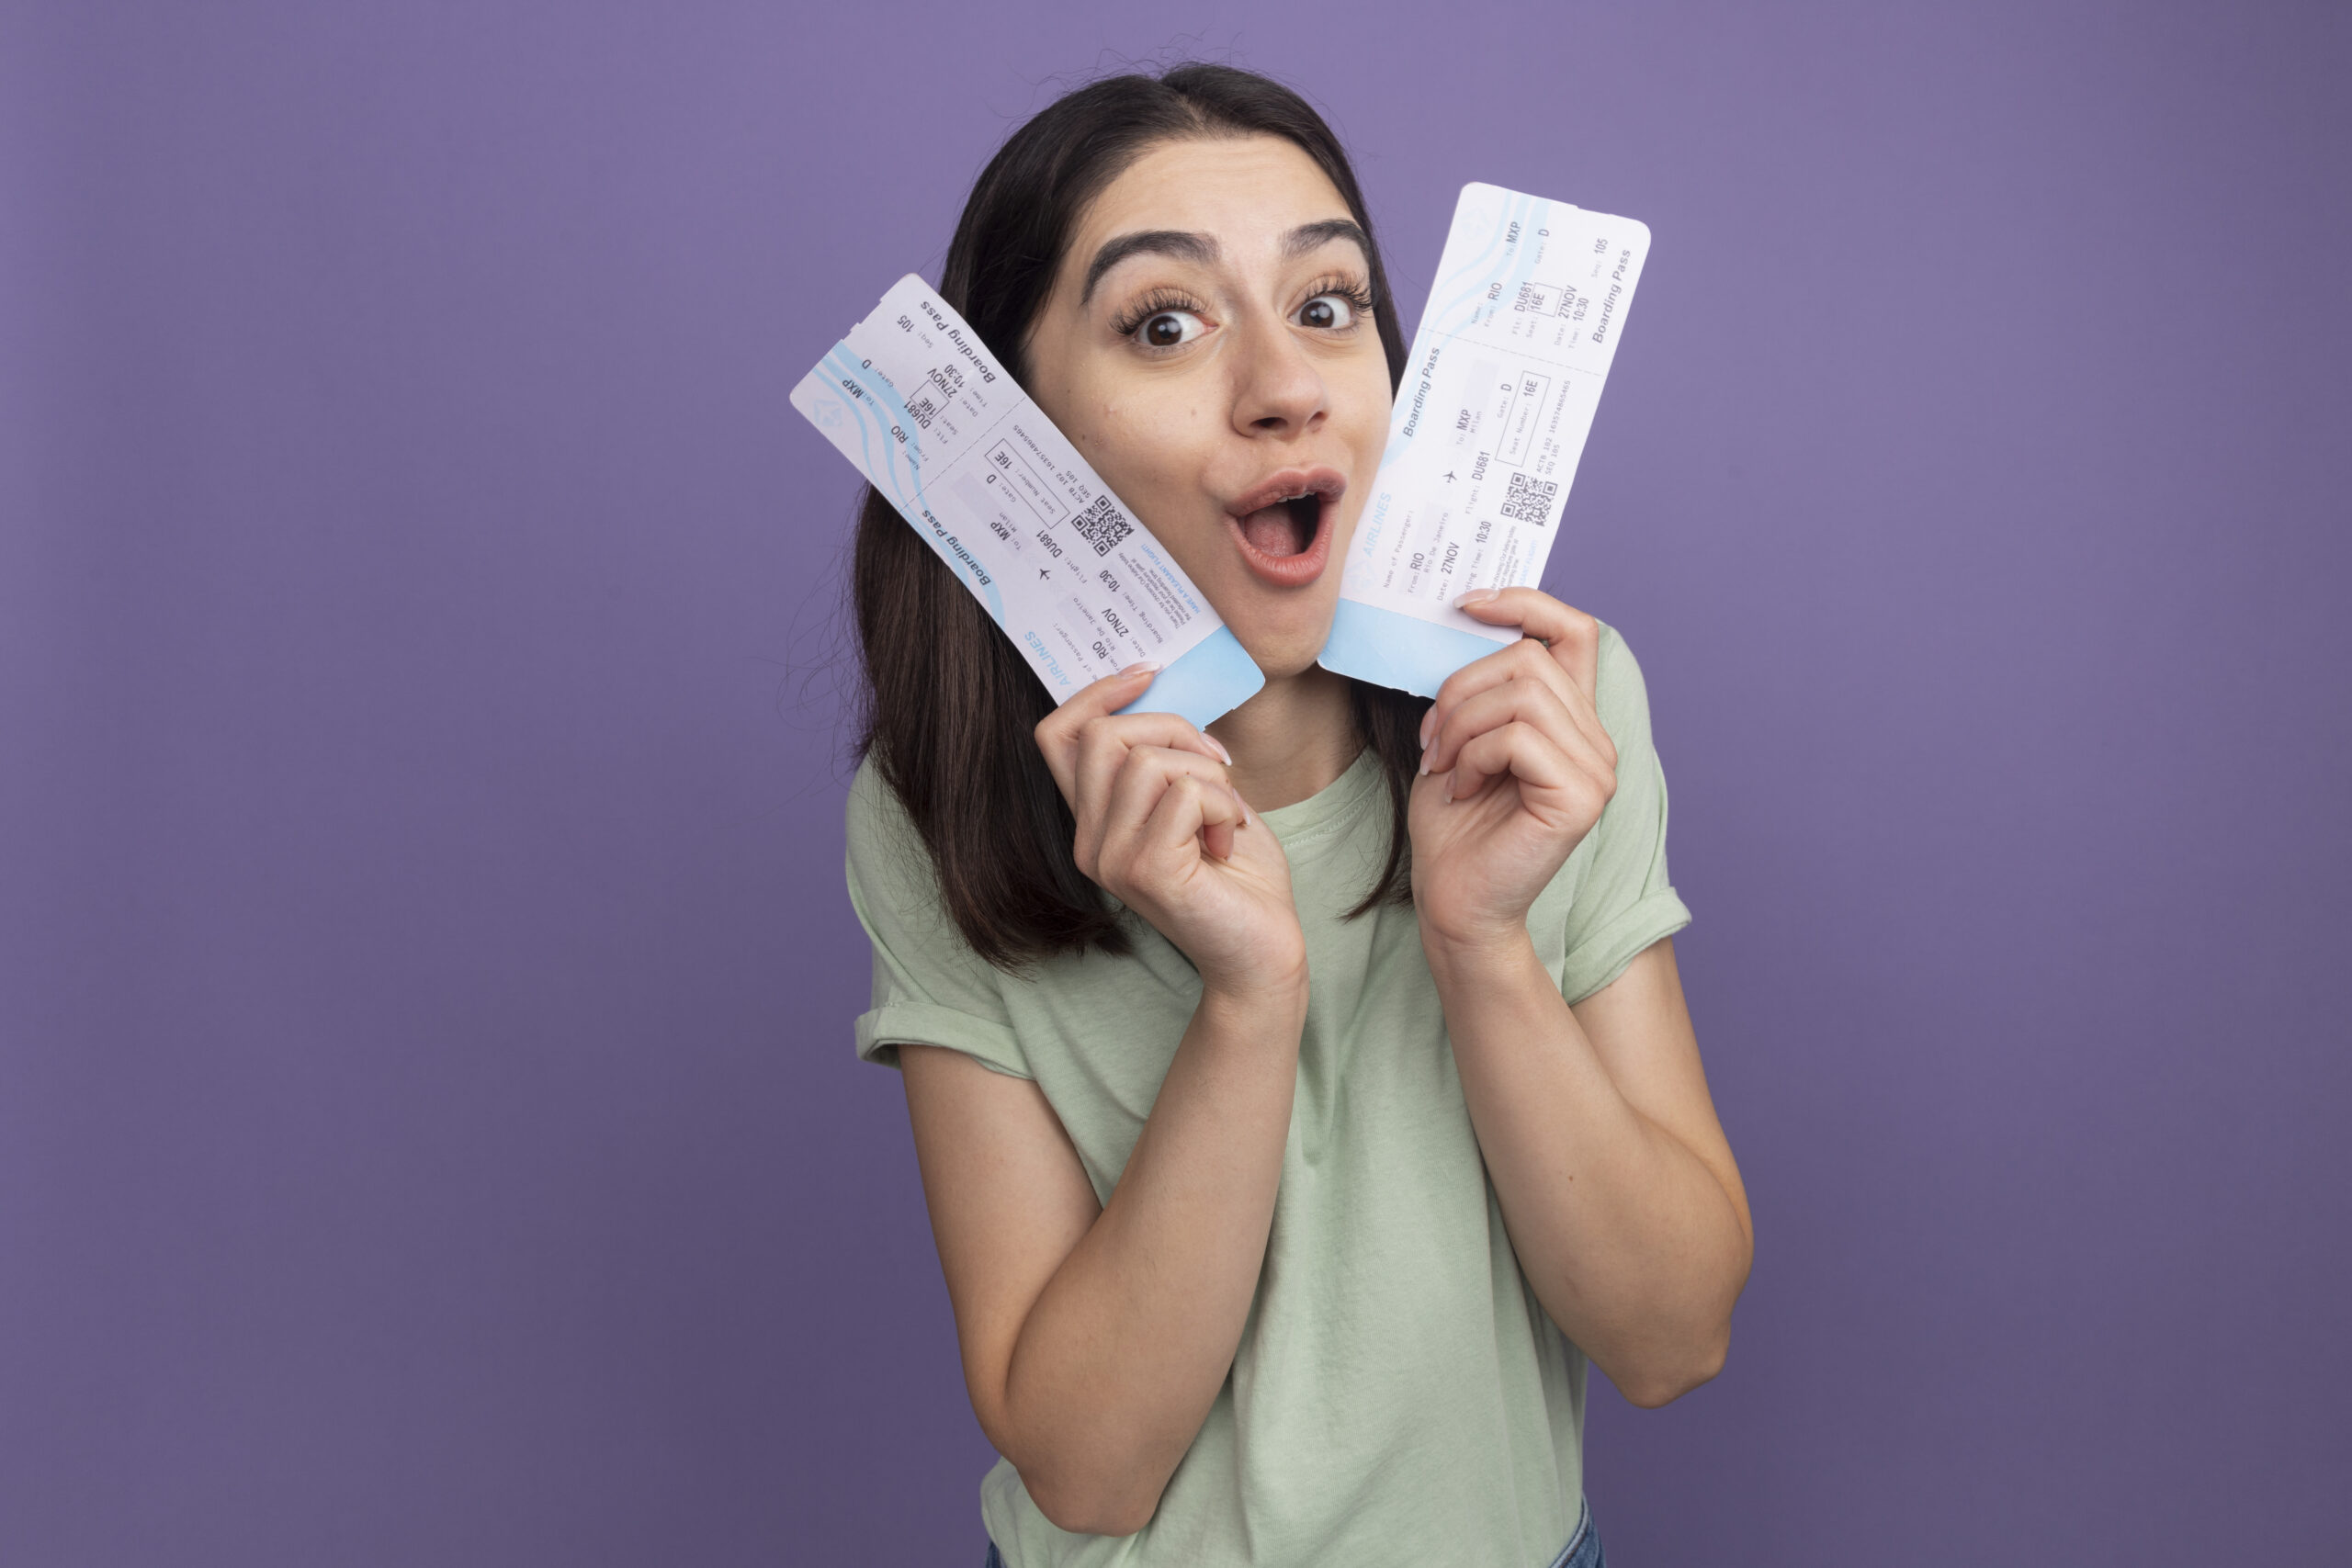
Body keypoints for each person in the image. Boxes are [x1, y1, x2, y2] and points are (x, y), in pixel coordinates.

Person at [842, 62, 1752, 1568]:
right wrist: (1252, 995)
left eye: (1328, 304)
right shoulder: (937, 808)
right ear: (1018, 438)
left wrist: (1484, 944)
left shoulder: (1556, 721)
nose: (1285, 383)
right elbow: (1087, 1471)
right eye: (1164, 324)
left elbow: (1673, 1339)